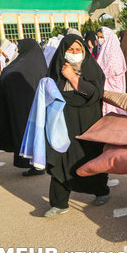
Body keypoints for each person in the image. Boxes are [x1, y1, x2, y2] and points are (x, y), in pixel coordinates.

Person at [44, 34, 110, 218]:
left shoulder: (91, 68)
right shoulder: (56, 69)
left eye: (78, 50)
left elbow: (95, 93)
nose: (74, 53)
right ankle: (59, 203)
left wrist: (73, 78)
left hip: (87, 122)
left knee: (89, 156)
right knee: (60, 157)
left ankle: (101, 190)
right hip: (62, 122)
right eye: (70, 50)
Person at [0, 39, 48, 175]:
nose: (17, 50)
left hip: (24, 110)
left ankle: (36, 166)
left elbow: (10, 77)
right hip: (34, 109)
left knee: (27, 136)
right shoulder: (37, 63)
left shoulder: (22, 65)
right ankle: (38, 164)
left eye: (19, 48)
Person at [96, 27, 126, 115]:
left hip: (113, 82)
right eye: (98, 37)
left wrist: (102, 73)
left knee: (114, 104)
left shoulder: (114, 50)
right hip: (105, 82)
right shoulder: (103, 49)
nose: (99, 39)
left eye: (101, 37)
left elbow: (115, 68)